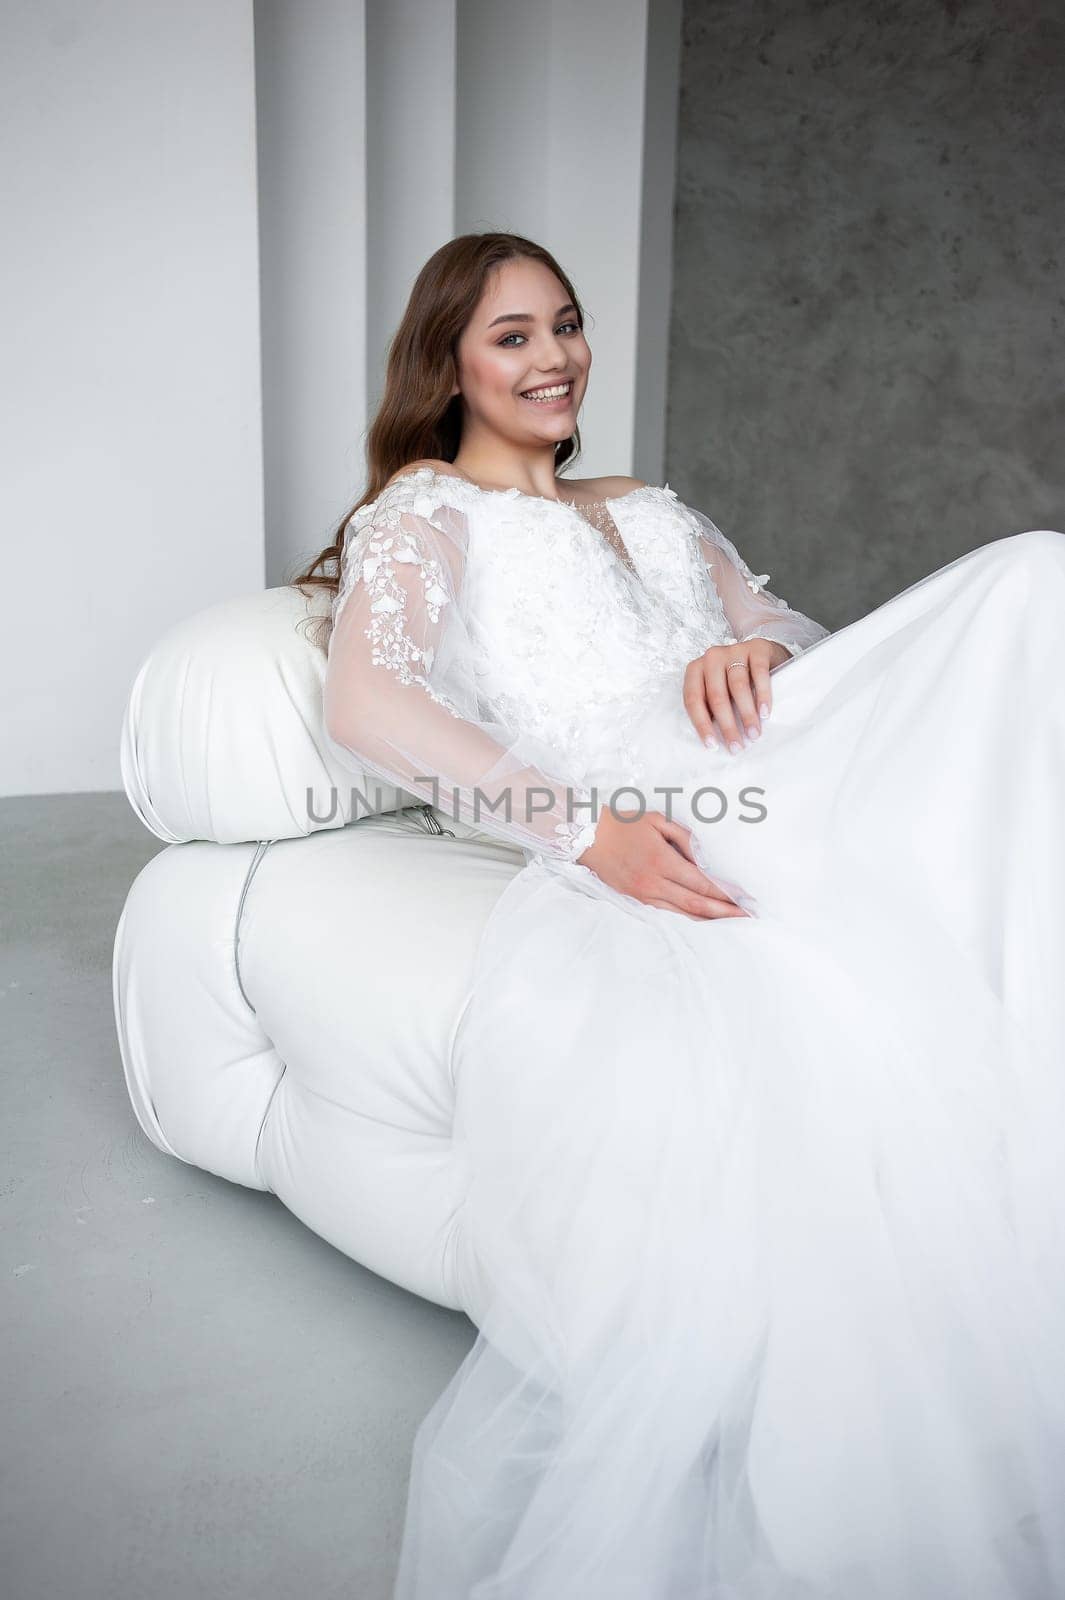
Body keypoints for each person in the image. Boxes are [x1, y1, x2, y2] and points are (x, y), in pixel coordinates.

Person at [293, 232, 1065, 1599]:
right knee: (1031, 577)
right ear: (452, 366)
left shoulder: (653, 503)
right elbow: (368, 706)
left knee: (1030, 588)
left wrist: (753, 644)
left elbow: (813, 646)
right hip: (659, 808)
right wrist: (582, 832)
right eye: (514, 336)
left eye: (566, 325)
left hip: (788, 755)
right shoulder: (424, 514)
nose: (555, 357)